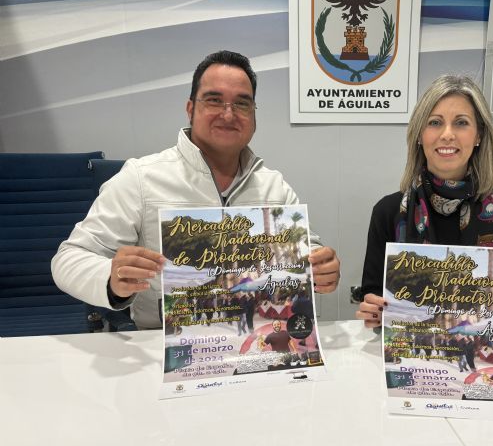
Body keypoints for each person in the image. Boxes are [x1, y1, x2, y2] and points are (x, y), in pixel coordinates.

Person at [52, 50, 340, 329]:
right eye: (214, 100)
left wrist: (321, 267)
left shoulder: (273, 185)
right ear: (190, 109)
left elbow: (308, 251)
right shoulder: (141, 178)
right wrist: (111, 279)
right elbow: (69, 258)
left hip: (259, 343)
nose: (228, 114)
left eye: (242, 104)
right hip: (165, 348)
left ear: (254, 114)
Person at [356, 75, 493, 330]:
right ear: (419, 135)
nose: (447, 135)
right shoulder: (388, 211)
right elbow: (373, 293)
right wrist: (373, 310)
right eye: (435, 122)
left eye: (461, 123)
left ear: (478, 135)